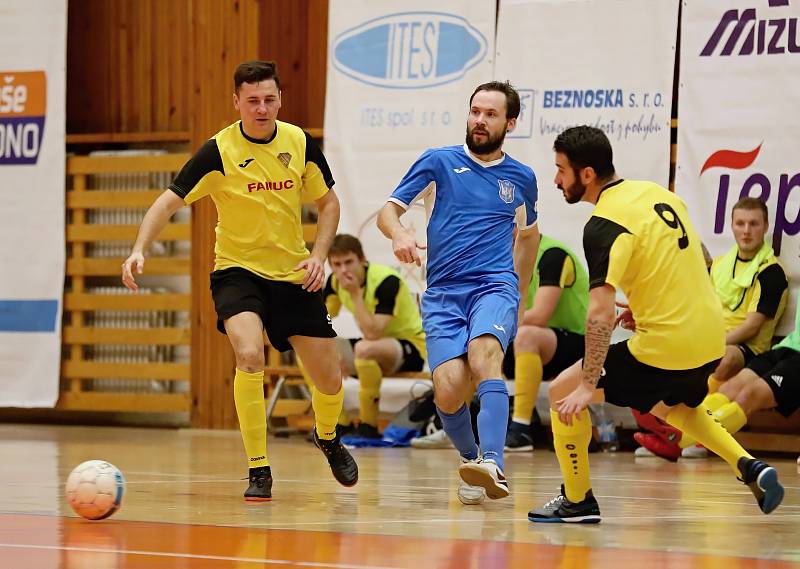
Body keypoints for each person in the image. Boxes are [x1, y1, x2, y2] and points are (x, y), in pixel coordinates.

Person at [121, 60, 357, 501]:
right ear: (237, 103)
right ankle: (258, 467)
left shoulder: (299, 142)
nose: (262, 108)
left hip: (293, 273)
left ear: (280, 100)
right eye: (252, 101)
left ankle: (327, 436)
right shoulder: (219, 151)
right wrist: (139, 249)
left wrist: (319, 257)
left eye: (269, 99)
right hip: (237, 271)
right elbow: (166, 203)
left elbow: (329, 204)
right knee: (249, 354)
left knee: (330, 378)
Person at [527, 126, 783, 523]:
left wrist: (586, 384)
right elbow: (701, 259)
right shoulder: (658, 194)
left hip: (668, 344)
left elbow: (598, 315)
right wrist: (651, 306)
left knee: (563, 391)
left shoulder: (603, 225)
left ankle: (577, 501)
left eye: (561, 170)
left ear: (588, 174)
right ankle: (749, 465)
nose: (556, 179)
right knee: (671, 405)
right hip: (710, 337)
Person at [377, 81, 540, 505]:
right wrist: (399, 234)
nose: (479, 120)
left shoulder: (521, 178)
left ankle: (493, 460)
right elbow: (388, 212)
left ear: (510, 123)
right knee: (448, 387)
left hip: (494, 286)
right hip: (445, 292)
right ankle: (471, 461)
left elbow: (528, 236)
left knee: (485, 355)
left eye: (490, 114)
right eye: (475, 111)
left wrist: (517, 294)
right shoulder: (439, 162)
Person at [634, 198, 788, 459]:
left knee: (723, 357)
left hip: (748, 349)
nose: (747, 230)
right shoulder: (720, 265)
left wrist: (711, 342)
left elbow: (752, 327)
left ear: (765, 227)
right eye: (740, 223)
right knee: (650, 351)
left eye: (754, 224)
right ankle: (667, 428)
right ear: (732, 226)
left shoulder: (771, 272)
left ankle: (685, 436)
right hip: (712, 339)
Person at [638, 291, 800, 457]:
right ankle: (675, 431)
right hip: (785, 348)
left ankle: (679, 441)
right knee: (728, 389)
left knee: (748, 396)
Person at [311, 233, 426, 439]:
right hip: (374, 347)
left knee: (364, 348)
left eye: (348, 262)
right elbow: (322, 321)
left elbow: (373, 333)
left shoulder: (386, 281)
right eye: (336, 264)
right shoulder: (335, 282)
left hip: (411, 347)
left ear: (362, 259)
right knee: (310, 351)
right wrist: (331, 351)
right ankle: (339, 423)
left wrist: (355, 294)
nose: (343, 270)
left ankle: (368, 426)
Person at [504, 234, 589, 452]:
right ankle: (453, 428)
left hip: (577, 344)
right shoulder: (506, 258)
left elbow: (540, 315)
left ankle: (521, 428)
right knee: (475, 340)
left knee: (526, 336)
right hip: (539, 346)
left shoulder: (553, 255)